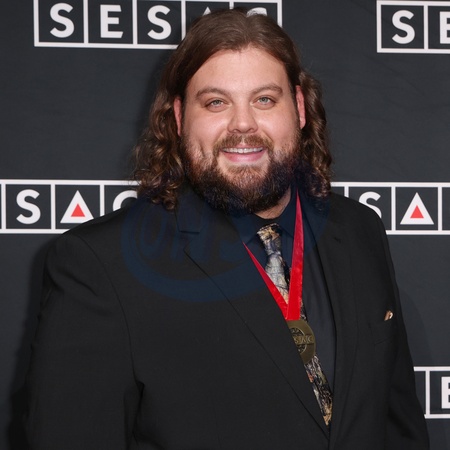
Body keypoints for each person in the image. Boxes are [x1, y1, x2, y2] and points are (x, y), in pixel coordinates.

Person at [26, 8, 429, 450]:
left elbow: (399, 426)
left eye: (264, 99)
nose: (242, 124)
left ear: (298, 108)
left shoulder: (358, 230)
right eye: (216, 102)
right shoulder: (100, 265)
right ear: (179, 117)